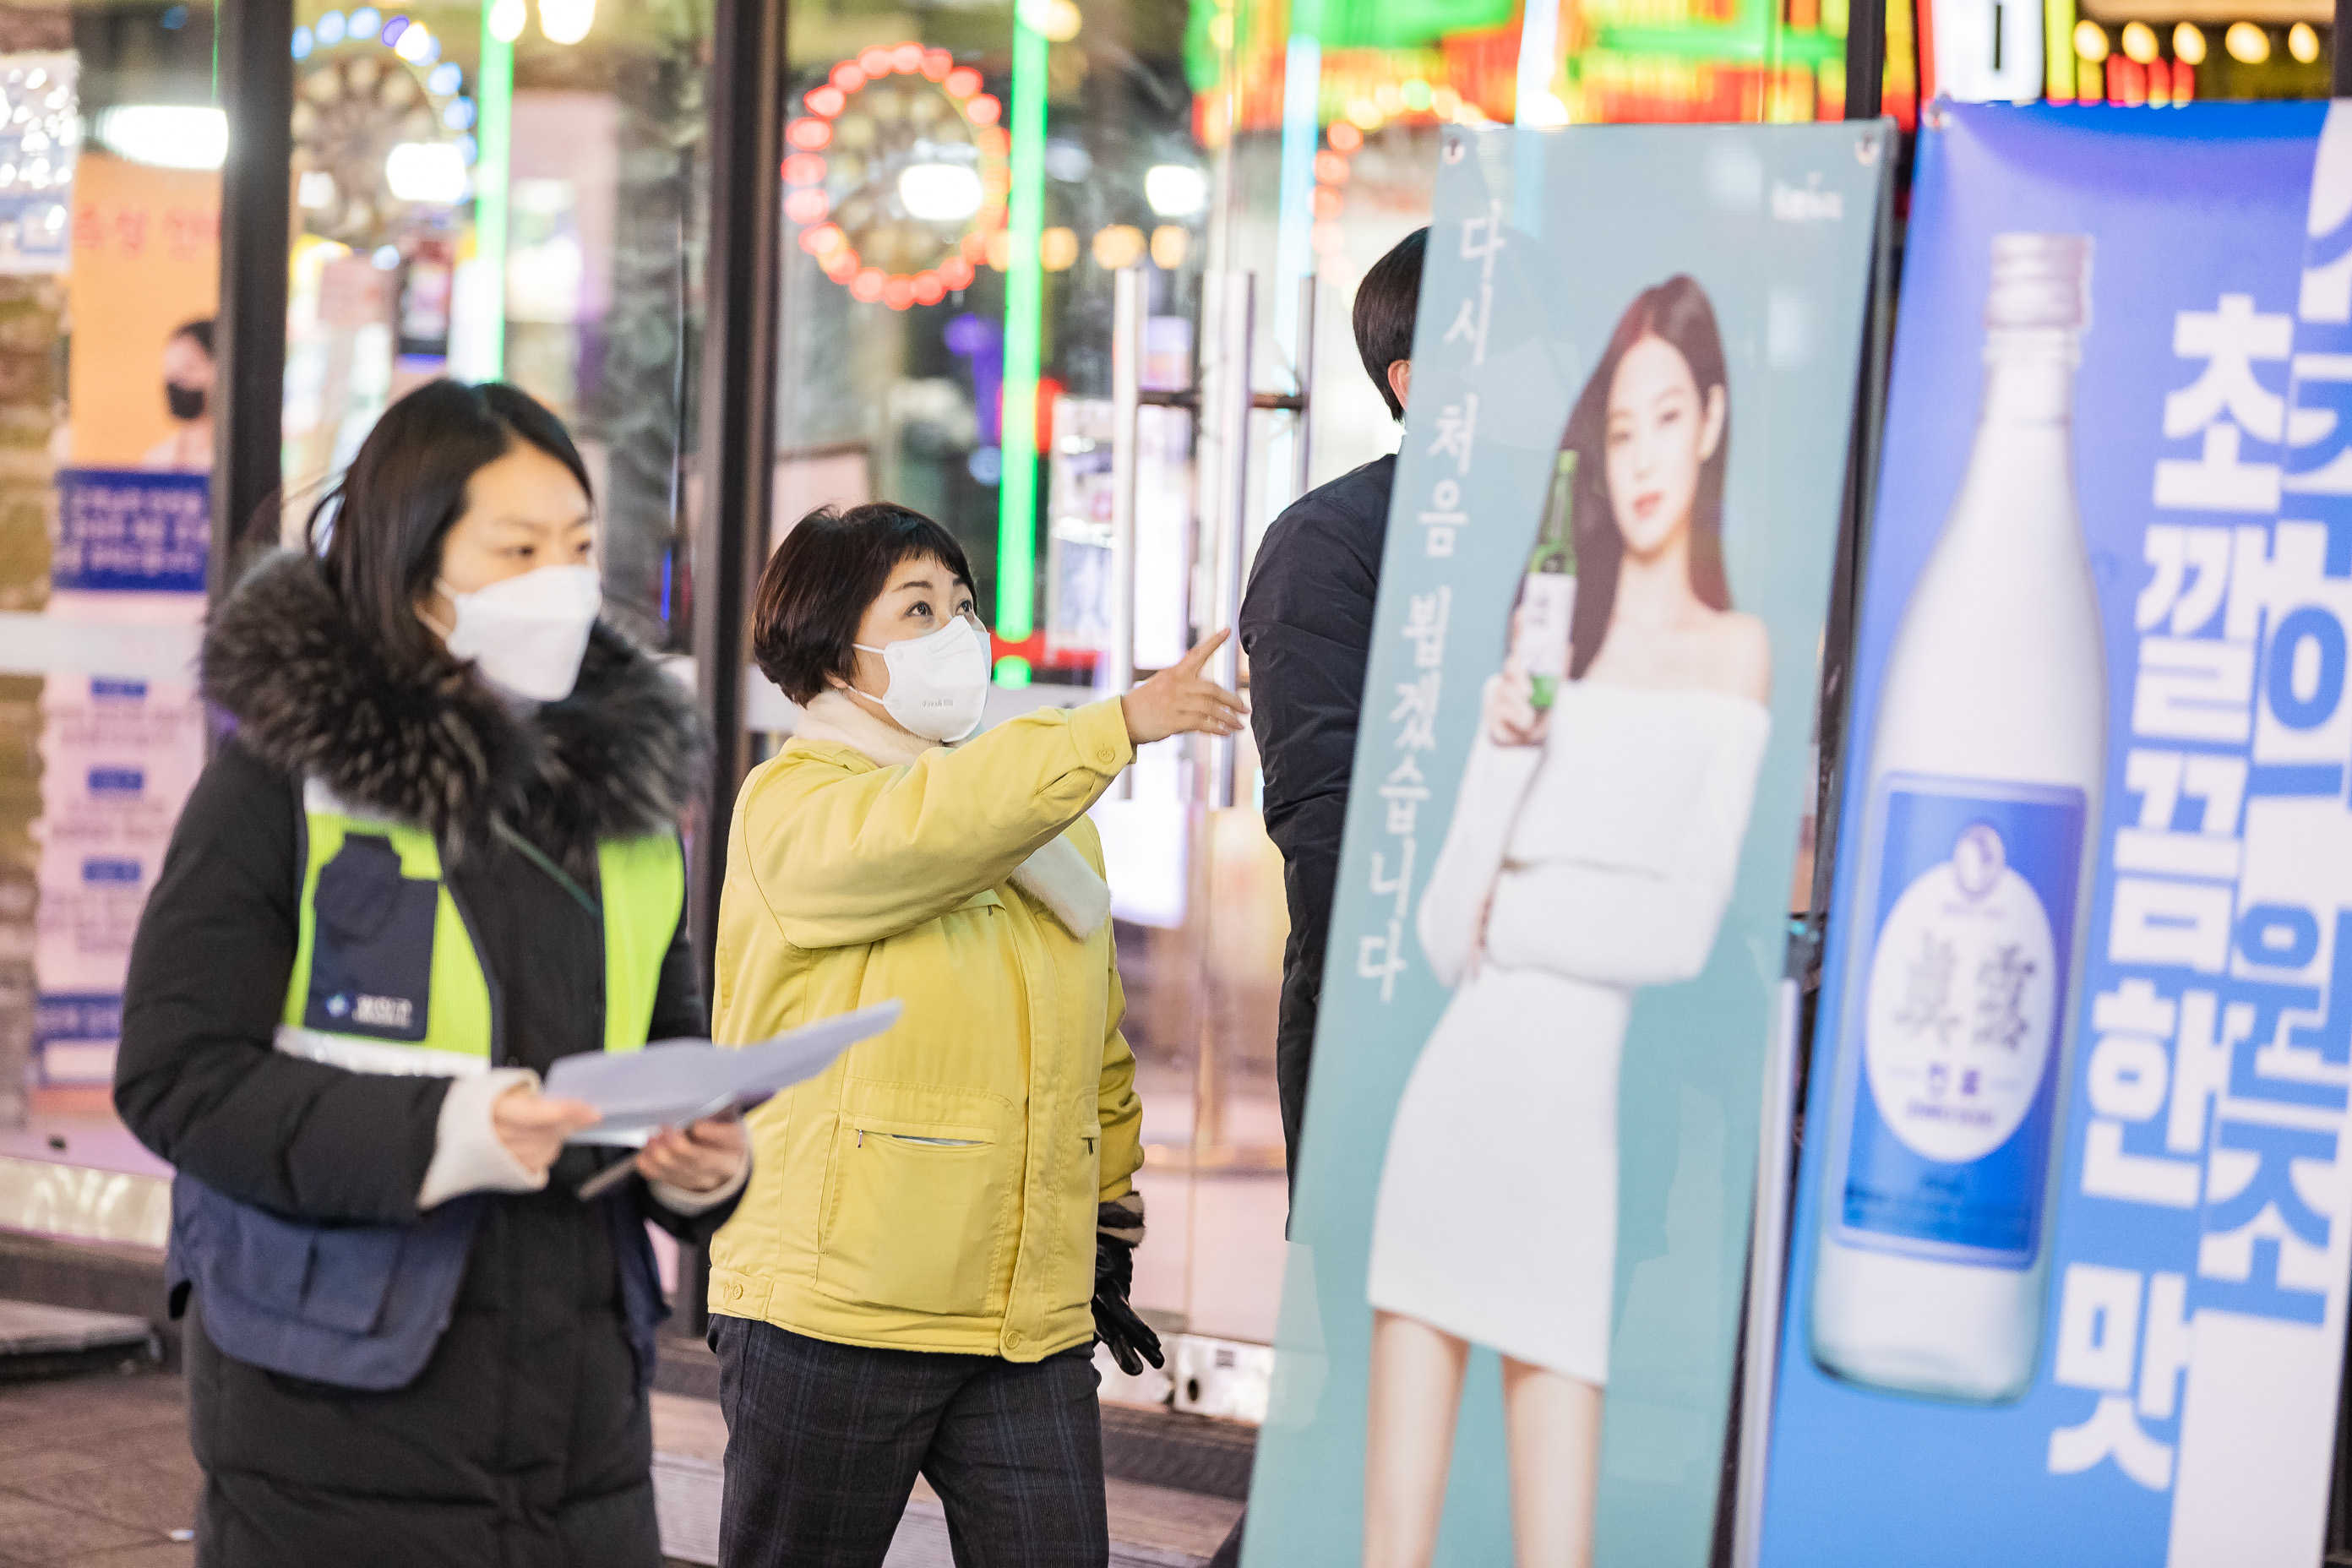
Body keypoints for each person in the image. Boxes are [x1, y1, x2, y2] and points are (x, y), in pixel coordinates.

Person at [114, 378, 749, 1567]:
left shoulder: (628, 808)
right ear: (414, 573)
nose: (561, 580)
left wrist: (698, 1169)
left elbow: (664, 1048)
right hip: (330, 1424)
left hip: (584, 1443)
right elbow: (177, 1076)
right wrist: (453, 1127)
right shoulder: (280, 784)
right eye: (515, 549)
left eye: (574, 545)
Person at [706, 502, 1246, 1568]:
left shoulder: (1041, 827)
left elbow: (1097, 1042)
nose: (959, 630)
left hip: (1024, 1321)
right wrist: (1116, 724)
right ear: (832, 642)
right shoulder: (795, 805)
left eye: (963, 604)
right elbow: (931, 829)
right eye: (918, 607)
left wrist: (1109, 1208)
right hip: (838, 1308)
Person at [1360, 276, 1770, 1568]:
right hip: (1452, 1102)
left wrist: (1523, 909)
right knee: (1394, 1541)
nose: (1644, 456)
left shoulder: (1735, 652)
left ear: (1710, 420)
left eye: (1667, 416)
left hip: (1577, 1135)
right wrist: (1494, 756)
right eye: (1619, 428)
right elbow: (1439, 938)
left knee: (1558, 1544)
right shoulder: (1551, 635)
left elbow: (1684, 936)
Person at [1239, 226, 1427, 1195]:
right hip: (1396, 1040)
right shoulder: (1329, 543)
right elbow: (1331, 828)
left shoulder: (1605, 525)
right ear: (1410, 380)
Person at [141, 317, 215, 471]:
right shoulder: (156, 459)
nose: (175, 383)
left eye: (189, 368)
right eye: (169, 372)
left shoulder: (237, 463)